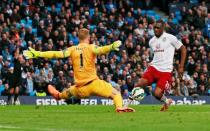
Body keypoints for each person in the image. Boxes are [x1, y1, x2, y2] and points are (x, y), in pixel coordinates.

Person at [23, 28, 135, 112]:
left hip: (79, 89)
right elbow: (101, 50)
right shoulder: (91, 47)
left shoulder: (72, 49)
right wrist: (111, 47)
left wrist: (38, 53)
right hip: (93, 84)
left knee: (66, 93)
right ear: (88, 37)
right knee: (116, 94)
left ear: (78, 38)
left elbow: (56, 54)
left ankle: (58, 95)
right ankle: (119, 107)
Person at [125, 20, 187, 111]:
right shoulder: (151, 41)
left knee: (157, 93)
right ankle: (126, 105)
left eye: (158, 27)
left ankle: (166, 101)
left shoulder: (171, 38)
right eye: (155, 27)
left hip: (166, 71)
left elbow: (183, 49)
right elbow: (157, 55)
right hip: (154, 68)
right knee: (139, 83)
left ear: (163, 28)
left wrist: (181, 66)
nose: (156, 29)